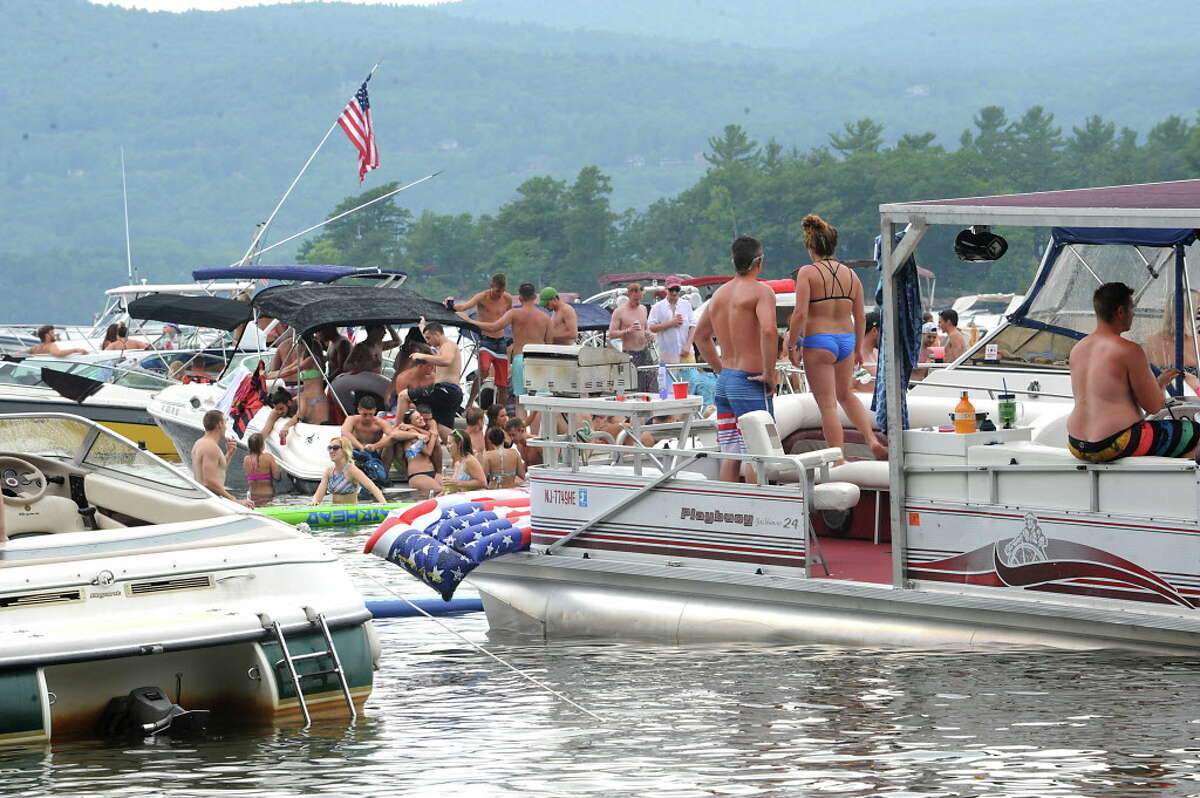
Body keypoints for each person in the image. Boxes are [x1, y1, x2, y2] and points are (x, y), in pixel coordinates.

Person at [787, 215, 887, 463]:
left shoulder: (807, 273)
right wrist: (857, 349)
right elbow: (859, 316)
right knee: (846, 395)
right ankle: (872, 440)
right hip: (846, 340)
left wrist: (791, 343)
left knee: (828, 405)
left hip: (819, 342)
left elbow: (800, 313)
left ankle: (838, 459)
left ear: (811, 248)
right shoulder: (851, 275)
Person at [1067, 282, 1198, 464]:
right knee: (1193, 433)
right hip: (1114, 442)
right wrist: (1159, 385)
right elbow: (1153, 407)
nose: (1133, 314)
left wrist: (1158, 382)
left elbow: (1109, 392)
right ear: (1121, 311)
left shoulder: (1078, 349)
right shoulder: (1129, 350)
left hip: (1076, 443)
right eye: (1132, 309)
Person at [695, 235, 778, 482]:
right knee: (758, 454)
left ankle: (728, 511)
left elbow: (700, 337)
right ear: (759, 262)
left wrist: (721, 370)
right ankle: (758, 510)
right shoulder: (761, 291)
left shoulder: (718, 295)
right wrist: (770, 372)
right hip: (750, 381)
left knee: (731, 453)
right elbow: (768, 330)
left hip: (726, 381)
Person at [465, 283, 551, 417]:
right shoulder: (545, 318)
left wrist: (470, 321)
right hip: (539, 360)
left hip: (520, 358)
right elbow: (549, 344)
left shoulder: (514, 313)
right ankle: (537, 434)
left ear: (520, 298)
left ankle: (521, 429)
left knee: (520, 400)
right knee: (540, 400)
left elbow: (493, 327)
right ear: (535, 297)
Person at [449, 273, 514, 409]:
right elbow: (464, 307)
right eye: (497, 291)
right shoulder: (482, 297)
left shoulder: (507, 298)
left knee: (502, 383)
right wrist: (451, 304)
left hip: (501, 342)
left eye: (502, 291)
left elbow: (509, 317)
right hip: (485, 340)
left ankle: (501, 411)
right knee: (483, 370)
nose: (499, 294)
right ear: (491, 286)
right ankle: (469, 402)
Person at [401, 321, 465, 437]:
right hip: (452, 393)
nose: (428, 342)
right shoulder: (440, 347)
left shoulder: (448, 345)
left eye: (429, 338)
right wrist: (422, 326)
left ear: (437, 335)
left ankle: (398, 429)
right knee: (442, 428)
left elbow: (446, 360)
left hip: (446, 389)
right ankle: (463, 451)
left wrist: (422, 356)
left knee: (404, 395)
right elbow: (429, 335)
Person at [191, 410, 255, 507]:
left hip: (206, 500)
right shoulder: (209, 446)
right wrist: (235, 500)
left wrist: (229, 453)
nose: (226, 427)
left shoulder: (200, 443)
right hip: (211, 504)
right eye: (225, 422)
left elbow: (218, 470)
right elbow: (209, 482)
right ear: (220, 424)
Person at [331, 324, 399, 414]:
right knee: (365, 410)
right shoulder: (360, 347)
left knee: (379, 409)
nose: (385, 333)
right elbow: (346, 366)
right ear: (374, 331)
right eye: (383, 330)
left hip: (378, 384)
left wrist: (389, 325)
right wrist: (366, 366)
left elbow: (398, 341)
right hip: (363, 386)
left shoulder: (380, 345)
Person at [1144, 291, 1200, 392]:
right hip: (1192, 401)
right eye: (1198, 309)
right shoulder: (1197, 342)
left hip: (1161, 400)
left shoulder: (1151, 341)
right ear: (1191, 312)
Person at [608, 283, 656, 394]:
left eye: (640, 298)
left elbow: (646, 328)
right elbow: (611, 334)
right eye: (635, 299)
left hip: (644, 352)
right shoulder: (619, 311)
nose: (637, 301)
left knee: (651, 387)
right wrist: (628, 330)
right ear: (629, 295)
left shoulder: (643, 309)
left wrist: (650, 334)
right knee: (633, 389)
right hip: (629, 354)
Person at [310, 435, 386, 505]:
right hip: (335, 510)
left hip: (351, 512)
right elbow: (319, 493)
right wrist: (314, 502)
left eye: (335, 448)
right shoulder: (328, 471)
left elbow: (372, 487)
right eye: (329, 448)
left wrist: (383, 503)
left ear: (345, 450)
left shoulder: (351, 469)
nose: (331, 451)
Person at [388, 407, 443, 497]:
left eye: (420, 416)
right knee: (441, 493)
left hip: (430, 473)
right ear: (410, 423)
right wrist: (434, 435)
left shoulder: (420, 432)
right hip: (418, 475)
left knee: (449, 492)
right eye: (417, 418)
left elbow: (428, 435)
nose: (421, 418)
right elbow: (428, 451)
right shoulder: (411, 433)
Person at [648, 277, 697, 367]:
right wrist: (670, 323)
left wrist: (688, 345)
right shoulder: (657, 307)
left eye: (677, 289)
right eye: (671, 290)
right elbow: (651, 327)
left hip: (687, 353)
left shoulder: (686, 305)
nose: (674, 293)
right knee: (669, 381)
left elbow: (693, 326)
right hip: (667, 355)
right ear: (666, 289)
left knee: (691, 381)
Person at [341, 394, 396, 472]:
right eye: (365, 414)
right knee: (342, 440)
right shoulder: (352, 419)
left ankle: (384, 473)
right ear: (359, 410)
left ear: (375, 410)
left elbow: (392, 436)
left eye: (371, 414)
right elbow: (345, 432)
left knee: (390, 444)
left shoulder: (381, 423)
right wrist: (360, 446)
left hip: (374, 452)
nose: (368, 418)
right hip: (355, 452)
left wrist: (375, 446)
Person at [441, 429, 487, 494]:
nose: (447, 446)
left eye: (449, 443)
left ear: (459, 444)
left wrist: (457, 483)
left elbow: (483, 483)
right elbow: (455, 487)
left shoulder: (470, 461)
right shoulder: (457, 463)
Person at [242, 432, 281, 506]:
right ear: (262, 445)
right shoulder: (268, 457)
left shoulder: (246, 459)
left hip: (252, 496)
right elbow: (277, 476)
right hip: (267, 496)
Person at [852, 311, 881, 394]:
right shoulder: (855, 358)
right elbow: (846, 390)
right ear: (874, 331)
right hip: (866, 404)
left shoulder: (877, 354)